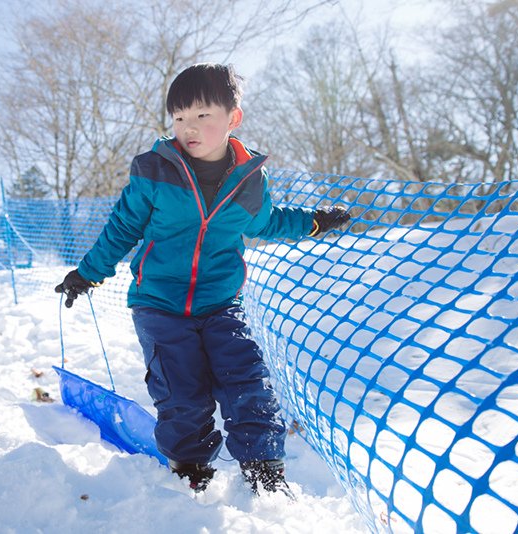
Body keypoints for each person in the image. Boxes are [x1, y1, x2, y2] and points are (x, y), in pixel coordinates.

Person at [55, 63, 350, 496]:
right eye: (178, 118)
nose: (187, 128)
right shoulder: (154, 170)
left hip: (220, 302)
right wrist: (88, 273)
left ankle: (265, 471)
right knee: (182, 393)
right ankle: (190, 473)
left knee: (248, 381)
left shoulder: (250, 181)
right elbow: (122, 228)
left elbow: (265, 223)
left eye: (201, 116)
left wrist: (313, 223)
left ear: (233, 118)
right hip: (159, 304)